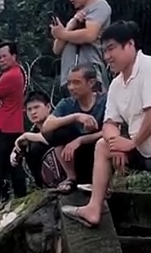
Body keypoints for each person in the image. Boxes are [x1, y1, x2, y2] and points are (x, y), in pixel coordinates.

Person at [63, 21, 151, 227]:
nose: (107, 56)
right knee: (103, 145)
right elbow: (109, 123)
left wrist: (131, 144)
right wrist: (115, 143)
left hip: (150, 147)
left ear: (130, 45)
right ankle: (93, 209)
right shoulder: (116, 84)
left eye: (111, 49)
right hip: (143, 150)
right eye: (104, 51)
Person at [41, 65, 106, 193]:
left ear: (91, 82)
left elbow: (111, 130)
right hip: (73, 155)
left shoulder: (104, 101)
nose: (71, 87)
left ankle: (103, 182)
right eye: (69, 83)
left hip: (98, 152)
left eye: (76, 83)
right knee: (55, 133)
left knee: (107, 141)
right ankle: (71, 177)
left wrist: (81, 140)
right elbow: (46, 127)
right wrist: (75, 117)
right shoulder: (67, 104)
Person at [51, 0, 112, 90]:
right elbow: (56, 49)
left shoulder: (100, 5)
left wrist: (62, 33)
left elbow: (89, 34)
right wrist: (71, 24)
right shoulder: (78, 16)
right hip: (69, 79)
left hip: (89, 77)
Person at [0, 41, 28, 206]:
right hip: (15, 126)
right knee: (14, 163)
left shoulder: (8, 76)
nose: (1, 60)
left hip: (3, 127)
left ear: (14, 56)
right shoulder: (18, 74)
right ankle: (19, 195)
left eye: (4, 56)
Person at [11, 91, 56, 187]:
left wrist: (28, 136)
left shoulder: (58, 121)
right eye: (29, 109)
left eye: (36, 107)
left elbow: (55, 139)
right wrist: (16, 152)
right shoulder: (33, 130)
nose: (33, 112)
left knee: (36, 146)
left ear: (48, 107)